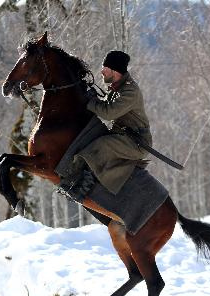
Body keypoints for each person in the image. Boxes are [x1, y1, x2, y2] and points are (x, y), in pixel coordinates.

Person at [59, 50, 152, 201]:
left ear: (114, 70)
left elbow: (109, 113)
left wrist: (90, 101)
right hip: (122, 135)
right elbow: (105, 106)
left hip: (136, 142)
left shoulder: (130, 91)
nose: (101, 71)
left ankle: (81, 187)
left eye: (105, 67)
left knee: (100, 145)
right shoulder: (117, 87)